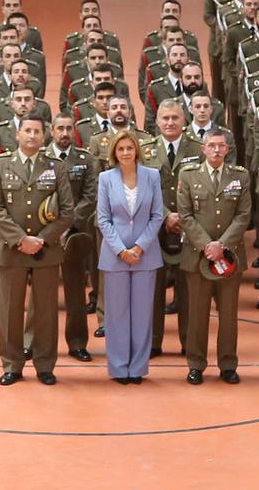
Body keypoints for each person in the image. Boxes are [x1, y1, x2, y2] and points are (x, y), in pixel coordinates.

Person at [0, 115, 71, 385]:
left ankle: (45, 364)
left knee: (46, 311)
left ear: (45, 136)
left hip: (46, 249)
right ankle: (12, 364)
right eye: (27, 131)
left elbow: (67, 211)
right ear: (18, 134)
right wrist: (21, 239)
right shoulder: (0, 164)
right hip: (12, 248)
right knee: (10, 310)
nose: (32, 136)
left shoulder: (56, 166)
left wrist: (41, 240)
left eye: (37, 131)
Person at [175, 129, 247, 384]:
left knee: (228, 315)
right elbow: (185, 215)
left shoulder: (240, 176)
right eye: (212, 145)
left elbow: (243, 215)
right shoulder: (188, 174)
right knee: (197, 313)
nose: (216, 150)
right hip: (198, 256)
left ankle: (228, 364)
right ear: (203, 149)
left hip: (230, 257)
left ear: (228, 149)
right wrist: (207, 245)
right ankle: (196, 364)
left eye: (221, 146)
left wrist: (222, 246)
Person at [95, 130, 164, 384]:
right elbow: (103, 219)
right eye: (121, 148)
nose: (126, 153)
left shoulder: (152, 176)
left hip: (145, 255)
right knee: (117, 314)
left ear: (137, 151)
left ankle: (137, 368)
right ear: (114, 152)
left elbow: (157, 215)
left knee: (143, 314)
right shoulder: (106, 179)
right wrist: (121, 250)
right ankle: (118, 367)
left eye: (130, 148)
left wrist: (140, 247)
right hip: (115, 256)